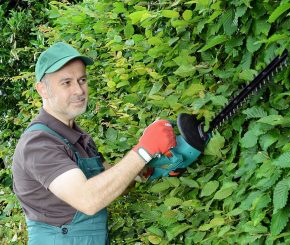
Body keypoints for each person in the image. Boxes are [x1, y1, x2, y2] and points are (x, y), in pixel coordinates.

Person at [12, 42, 176, 244]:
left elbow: (113, 183)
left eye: (82, 80)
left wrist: (145, 166)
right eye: (66, 83)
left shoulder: (79, 138)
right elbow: (87, 200)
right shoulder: (39, 144)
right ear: (42, 90)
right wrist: (142, 151)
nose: (79, 90)